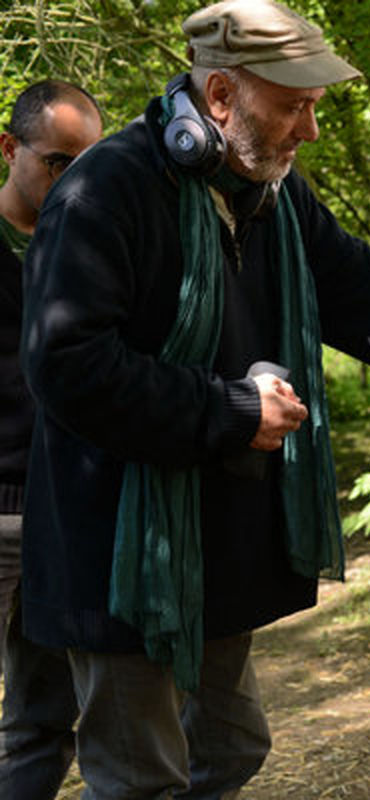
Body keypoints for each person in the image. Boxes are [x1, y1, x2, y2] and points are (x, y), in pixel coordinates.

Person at [15, 1, 370, 797]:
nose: (308, 131)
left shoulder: (273, 193)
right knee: (142, 778)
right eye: (293, 106)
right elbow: (68, 366)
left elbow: (369, 295)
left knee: (233, 746)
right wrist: (232, 411)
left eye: (315, 108)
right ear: (218, 99)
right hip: (115, 558)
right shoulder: (101, 193)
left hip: (211, 551)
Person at [0, 79, 102, 797]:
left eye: (89, 164)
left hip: (61, 518)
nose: (75, 183)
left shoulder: (95, 253)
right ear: (9, 149)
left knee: (44, 718)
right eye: (57, 162)